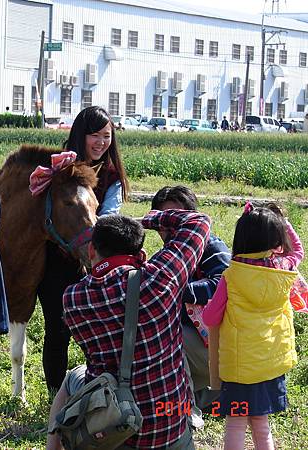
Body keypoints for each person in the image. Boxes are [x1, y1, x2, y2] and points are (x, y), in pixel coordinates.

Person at [47, 209, 211, 449]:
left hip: (112, 431)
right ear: (142, 255)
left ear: (92, 250)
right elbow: (199, 221)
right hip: (170, 433)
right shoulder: (161, 279)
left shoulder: (73, 298)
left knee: (74, 375)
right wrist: (149, 219)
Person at [37, 106, 130, 394]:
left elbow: (110, 215)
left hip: (98, 264)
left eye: (107, 135)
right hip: (57, 261)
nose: (102, 142)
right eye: (95, 135)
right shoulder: (60, 169)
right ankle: (56, 394)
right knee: (57, 329)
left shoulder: (111, 176)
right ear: (81, 135)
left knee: (101, 330)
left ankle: (101, 390)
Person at [203, 203, 303, 450]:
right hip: (270, 364)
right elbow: (298, 250)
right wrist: (283, 221)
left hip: (239, 366)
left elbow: (210, 318)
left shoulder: (231, 276)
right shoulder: (284, 269)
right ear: (276, 240)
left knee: (236, 422)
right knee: (261, 422)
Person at [151, 186, 230, 412]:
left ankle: (187, 408)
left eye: (178, 217)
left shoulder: (212, 247)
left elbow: (223, 285)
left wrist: (176, 289)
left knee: (167, 335)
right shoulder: (166, 256)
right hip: (200, 345)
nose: (171, 226)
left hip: (218, 347)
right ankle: (201, 397)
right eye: (165, 219)